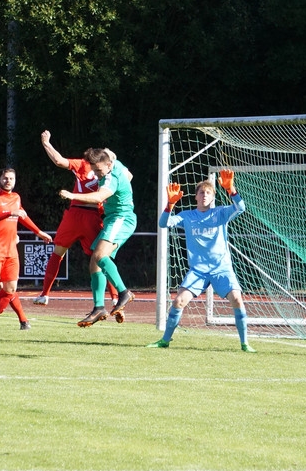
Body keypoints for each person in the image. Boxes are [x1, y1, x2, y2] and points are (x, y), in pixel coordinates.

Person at [147, 170, 254, 352]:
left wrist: (231, 190)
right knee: (178, 301)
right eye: (201, 192)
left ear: (213, 197)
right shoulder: (187, 216)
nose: (205, 195)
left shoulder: (221, 213)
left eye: (208, 193)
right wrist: (170, 204)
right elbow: (164, 223)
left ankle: (245, 343)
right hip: (198, 271)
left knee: (237, 299)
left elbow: (241, 208)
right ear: (196, 196)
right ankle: (165, 340)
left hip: (221, 268)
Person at [33, 131, 118, 306]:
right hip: (86, 215)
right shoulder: (102, 167)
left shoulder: (107, 170)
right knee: (101, 257)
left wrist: (46, 143)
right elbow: (59, 161)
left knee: (93, 256)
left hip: (82, 215)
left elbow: (59, 161)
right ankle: (116, 298)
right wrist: (46, 144)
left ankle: (45, 294)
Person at [0, 168, 52, 340]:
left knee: (10, 289)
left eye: (11, 178)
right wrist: (10, 213)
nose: (8, 181)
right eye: (5, 178)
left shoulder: (16, 197)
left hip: (10, 248)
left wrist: (38, 232)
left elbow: (22, 216)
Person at [59, 148, 136, 327]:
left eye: (99, 170)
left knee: (100, 256)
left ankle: (124, 292)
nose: (96, 174)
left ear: (108, 165)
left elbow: (100, 196)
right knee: (94, 261)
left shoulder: (111, 177)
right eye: (94, 170)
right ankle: (99, 307)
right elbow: (129, 175)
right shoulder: (116, 165)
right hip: (112, 219)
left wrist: (72, 195)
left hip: (121, 218)